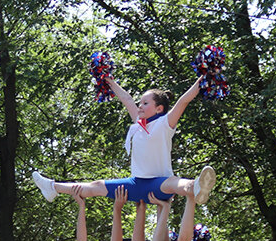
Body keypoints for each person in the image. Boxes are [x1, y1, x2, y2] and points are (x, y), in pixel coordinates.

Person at [32, 74, 215, 206]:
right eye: (140, 103)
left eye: (145, 103)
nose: (139, 106)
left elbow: (183, 101)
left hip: (159, 184)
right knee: (96, 187)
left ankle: (195, 187)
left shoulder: (165, 123)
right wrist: (108, 79)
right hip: (136, 184)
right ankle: (52, 187)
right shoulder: (138, 123)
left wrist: (202, 80)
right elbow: (126, 98)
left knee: (174, 182)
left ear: (159, 109)